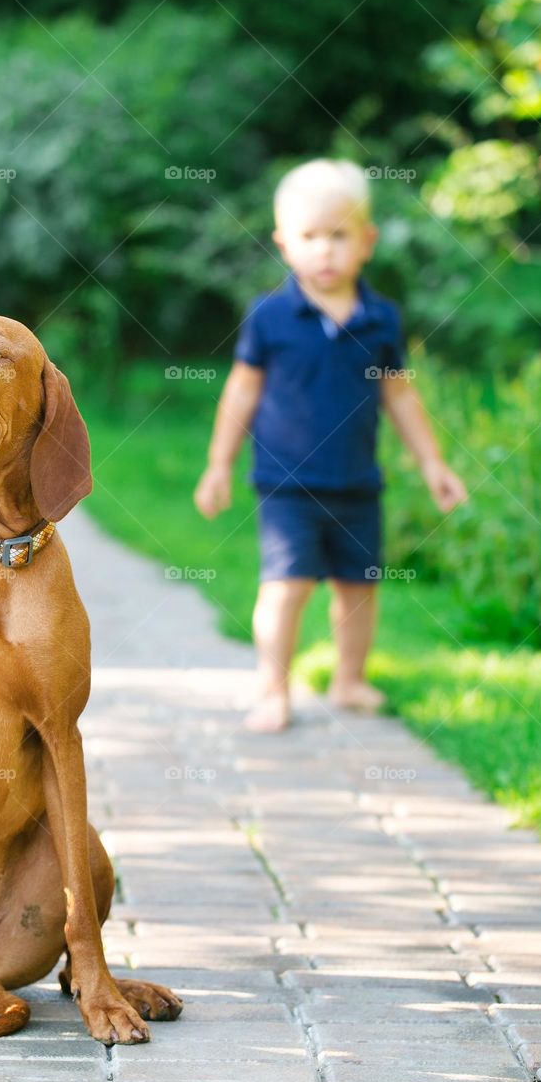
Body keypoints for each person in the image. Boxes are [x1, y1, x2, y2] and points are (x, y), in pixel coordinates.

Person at [194, 159, 468, 732]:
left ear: (366, 242)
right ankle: (273, 689)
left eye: (339, 236)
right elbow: (241, 394)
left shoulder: (380, 319)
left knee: (359, 588)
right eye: (309, 237)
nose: (325, 250)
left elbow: (400, 398)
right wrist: (218, 465)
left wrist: (433, 462)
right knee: (286, 586)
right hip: (287, 484)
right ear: (283, 243)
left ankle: (349, 678)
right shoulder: (270, 316)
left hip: (357, 483)